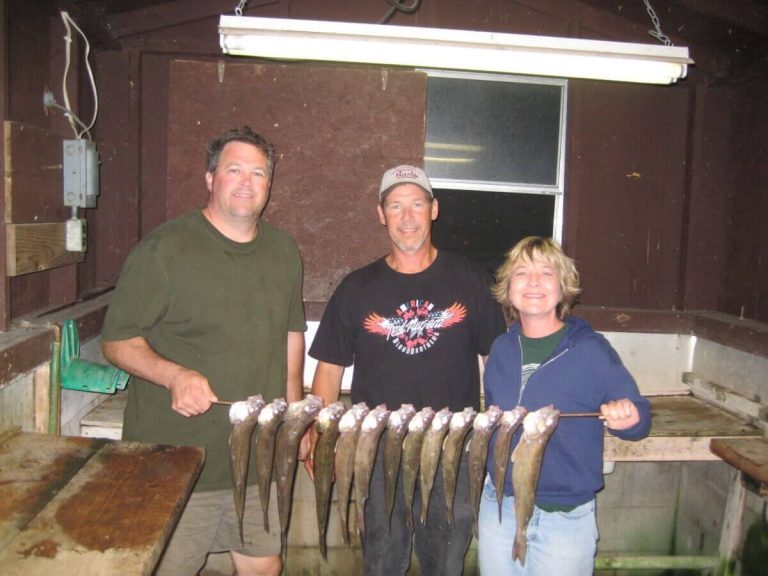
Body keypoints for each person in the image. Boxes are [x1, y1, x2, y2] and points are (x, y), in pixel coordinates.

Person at [101, 126, 306, 576]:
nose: (247, 182)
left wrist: (294, 416)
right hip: (177, 462)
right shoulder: (165, 249)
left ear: (269, 187)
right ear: (210, 178)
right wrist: (174, 376)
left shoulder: (284, 252)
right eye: (234, 170)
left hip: (257, 457)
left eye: (258, 173)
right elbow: (116, 340)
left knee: (264, 565)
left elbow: (292, 335)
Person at [307, 165, 506, 576]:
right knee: (381, 559)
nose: (407, 216)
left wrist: (496, 436)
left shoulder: (471, 280)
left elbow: (496, 363)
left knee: (447, 560)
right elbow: (328, 372)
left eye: (417, 204)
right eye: (395, 206)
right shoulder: (356, 288)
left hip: (453, 447)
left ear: (434, 209)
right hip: (377, 453)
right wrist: (321, 437)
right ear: (381, 215)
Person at [478, 236, 652, 576]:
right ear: (508, 287)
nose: (533, 283)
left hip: (564, 518)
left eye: (546, 273)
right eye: (521, 273)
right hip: (499, 507)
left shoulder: (592, 351)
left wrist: (627, 416)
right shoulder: (499, 349)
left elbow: (640, 417)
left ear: (563, 286)